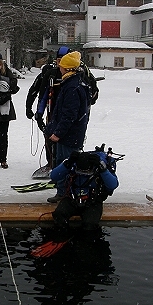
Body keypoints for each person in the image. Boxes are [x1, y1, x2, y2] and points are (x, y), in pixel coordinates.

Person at [44, 51, 91, 203]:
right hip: (71, 134)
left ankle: (64, 194)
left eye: (62, 66)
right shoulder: (74, 83)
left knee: (66, 163)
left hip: (69, 135)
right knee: (63, 162)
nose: (59, 68)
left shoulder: (72, 87)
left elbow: (69, 115)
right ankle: (62, 189)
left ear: (68, 69)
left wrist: (58, 133)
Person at [50, 147, 119, 230]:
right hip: (72, 198)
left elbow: (113, 185)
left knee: (90, 225)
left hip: (93, 201)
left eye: (86, 172)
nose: (83, 174)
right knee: (59, 215)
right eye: (80, 172)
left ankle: (85, 240)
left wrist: (103, 170)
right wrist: (67, 163)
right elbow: (54, 176)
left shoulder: (100, 166)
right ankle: (62, 235)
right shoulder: (73, 163)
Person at [31, 46, 70, 170]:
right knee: (50, 138)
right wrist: (39, 112)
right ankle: (51, 164)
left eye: (64, 60)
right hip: (52, 113)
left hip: (69, 115)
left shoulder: (77, 76)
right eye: (59, 61)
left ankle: (65, 166)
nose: (61, 64)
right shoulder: (51, 74)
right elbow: (42, 95)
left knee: (66, 141)